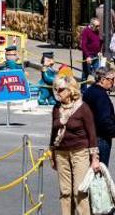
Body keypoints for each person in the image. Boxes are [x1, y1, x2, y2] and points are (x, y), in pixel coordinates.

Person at [50, 75, 100, 215]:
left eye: (60, 90)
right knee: (65, 192)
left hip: (80, 152)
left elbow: (92, 134)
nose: (57, 93)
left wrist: (95, 158)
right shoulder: (56, 108)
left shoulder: (83, 108)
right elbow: (53, 131)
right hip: (61, 153)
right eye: (55, 89)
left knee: (79, 190)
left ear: (70, 90)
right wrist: (52, 153)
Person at [83, 66, 115, 166]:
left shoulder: (89, 91)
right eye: (112, 79)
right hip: (101, 139)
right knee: (100, 171)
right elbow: (104, 121)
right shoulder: (101, 96)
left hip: (89, 137)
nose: (113, 82)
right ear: (102, 80)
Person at [80, 18, 103, 91]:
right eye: (97, 26)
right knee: (86, 73)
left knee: (97, 72)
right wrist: (87, 56)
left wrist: (100, 51)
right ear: (91, 25)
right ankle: (83, 89)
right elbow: (83, 45)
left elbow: (100, 42)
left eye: (99, 26)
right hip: (88, 55)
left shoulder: (97, 31)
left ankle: (96, 89)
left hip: (96, 55)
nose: (98, 28)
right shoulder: (86, 31)